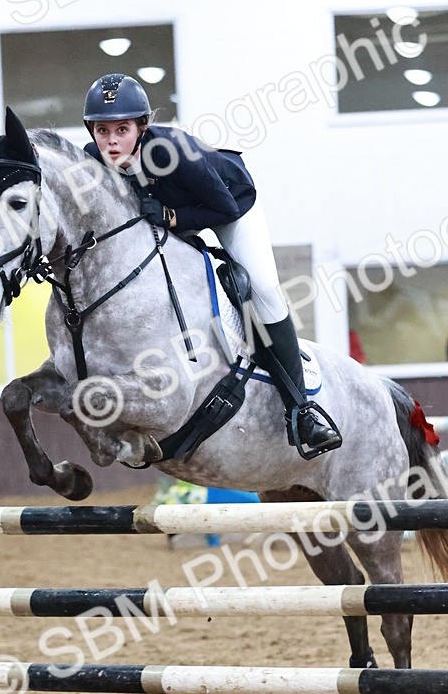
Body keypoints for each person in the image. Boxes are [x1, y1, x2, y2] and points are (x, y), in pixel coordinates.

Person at [81, 72, 342, 458]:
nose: (112, 141)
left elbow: (224, 208)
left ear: (143, 126)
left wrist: (171, 216)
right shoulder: (91, 163)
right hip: (173, 216)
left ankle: (302, 409)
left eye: (122, 129)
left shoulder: (171, 150)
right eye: (102, 131)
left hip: (231, 206)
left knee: (263, 290)